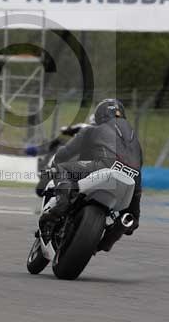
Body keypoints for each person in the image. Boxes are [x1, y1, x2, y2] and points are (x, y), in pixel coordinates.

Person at [39, 98, 143, 247]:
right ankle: (110, 238)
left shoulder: (93, 130)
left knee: (63, 169)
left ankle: (60, 208)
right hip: (132, 177)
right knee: (131, 219)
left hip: (105, 166)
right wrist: (134, 213)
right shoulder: (135, 141)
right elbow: (138, 170)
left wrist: (52, 169)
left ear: (100, 115)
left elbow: (64, 154)